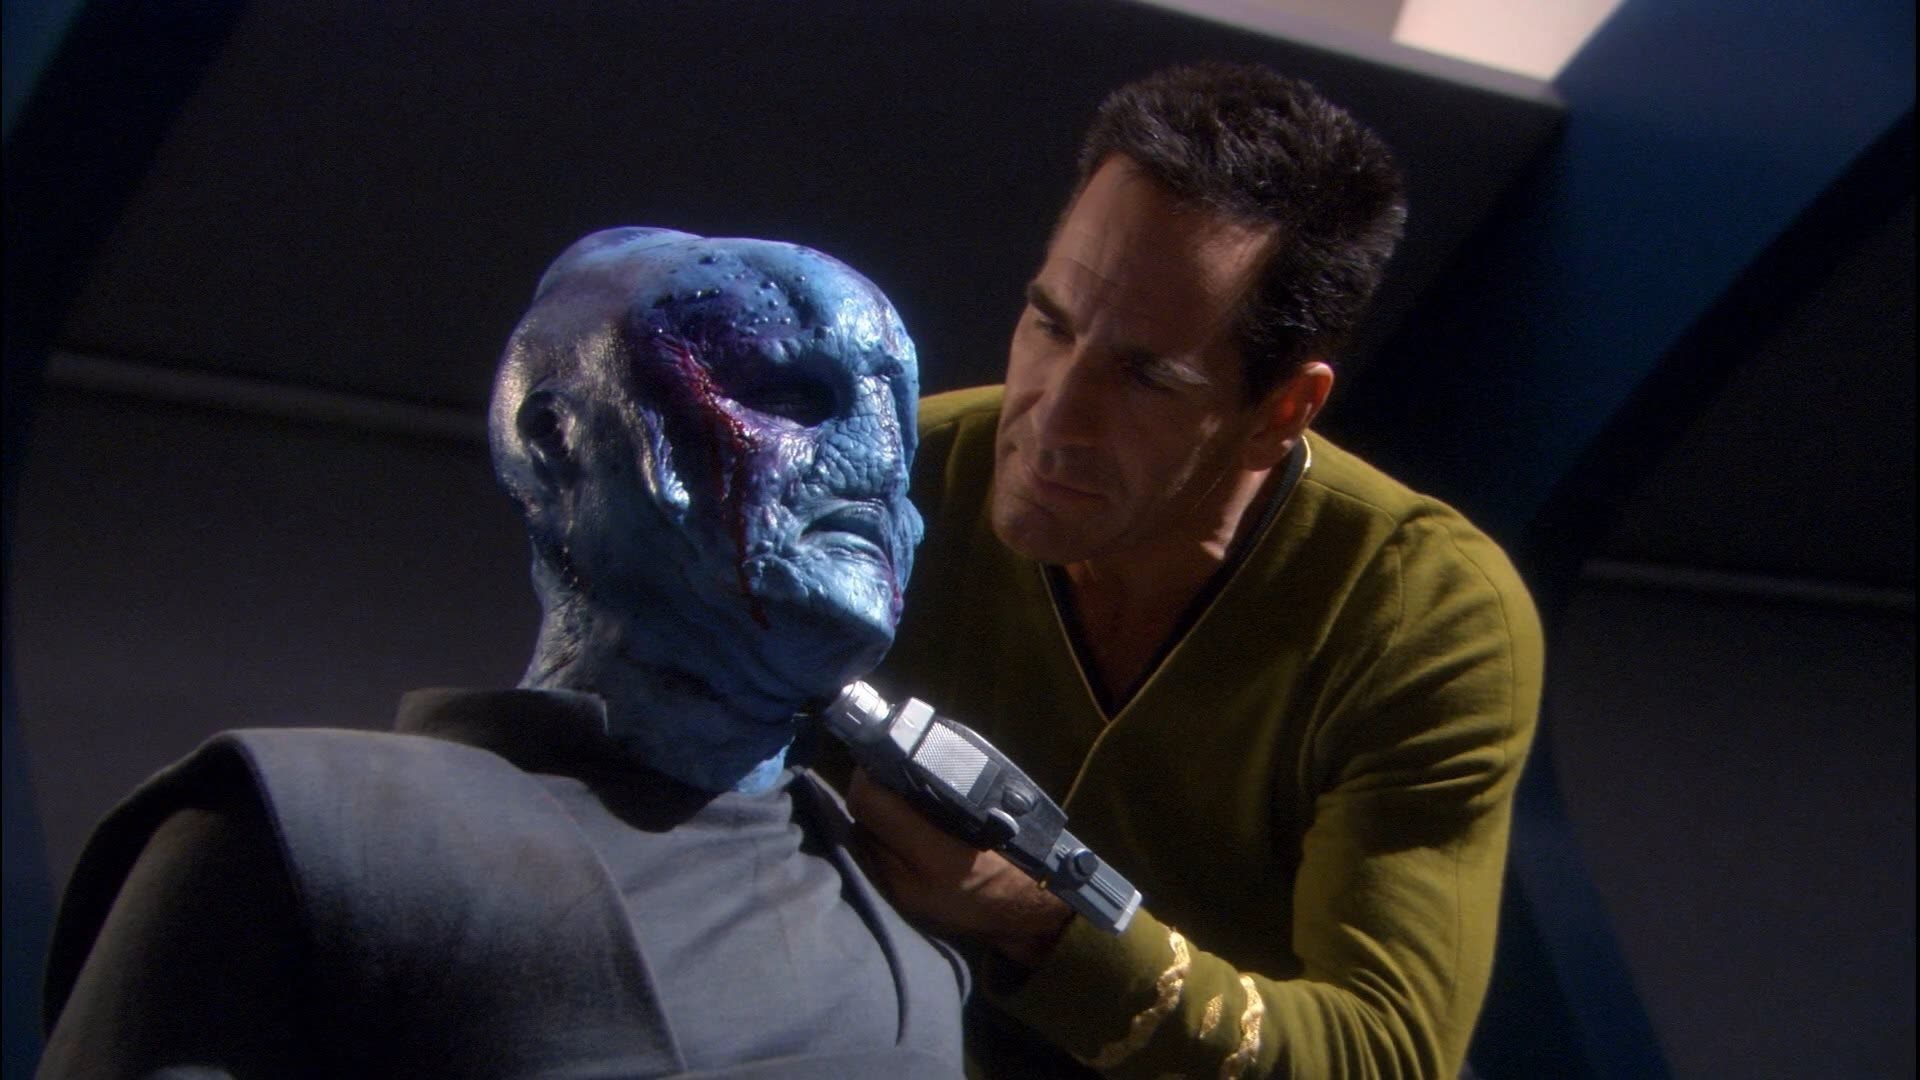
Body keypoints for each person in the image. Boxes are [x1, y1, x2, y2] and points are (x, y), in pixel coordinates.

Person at [39, 227, 967, 1078]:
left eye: (899, 429)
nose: (878, 469)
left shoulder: (905, 924)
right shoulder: (301, 835)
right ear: (558, 438)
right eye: (789, 395)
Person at [841, 63, 1544, 1078]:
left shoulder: (1424, 615)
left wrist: (1040, 919)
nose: (1053, 417)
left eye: (1145, 377)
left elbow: (1384, 1055)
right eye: (1051, 323)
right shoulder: (884, 476)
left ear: (1283, 411)